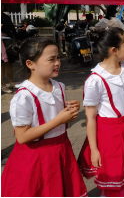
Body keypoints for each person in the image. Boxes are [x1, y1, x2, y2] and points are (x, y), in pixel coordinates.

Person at [1, 37, 87, 196]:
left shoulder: (58, 87)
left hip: (62, 150)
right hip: (36, 158)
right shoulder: (24, 97)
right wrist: (59, 120)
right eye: (51, 59)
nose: (57, 63)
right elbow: (22, 136)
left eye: (58, 58)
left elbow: (60, 123)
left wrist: (69, 114)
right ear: (30, 64)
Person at [78, 27, 124, 197]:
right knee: (113, 181)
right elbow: (90, 118)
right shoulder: (95, 80)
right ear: (114, 50)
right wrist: (94, 149)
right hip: (110, 136)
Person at [1, 5, 17, 93]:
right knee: (2, 65)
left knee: (9, 62)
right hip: (1, 44)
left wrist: (16, 39)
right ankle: (3, 85)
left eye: (2, 5)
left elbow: (12, 28)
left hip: (9, 42)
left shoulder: (6, 16)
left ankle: (11, 82)